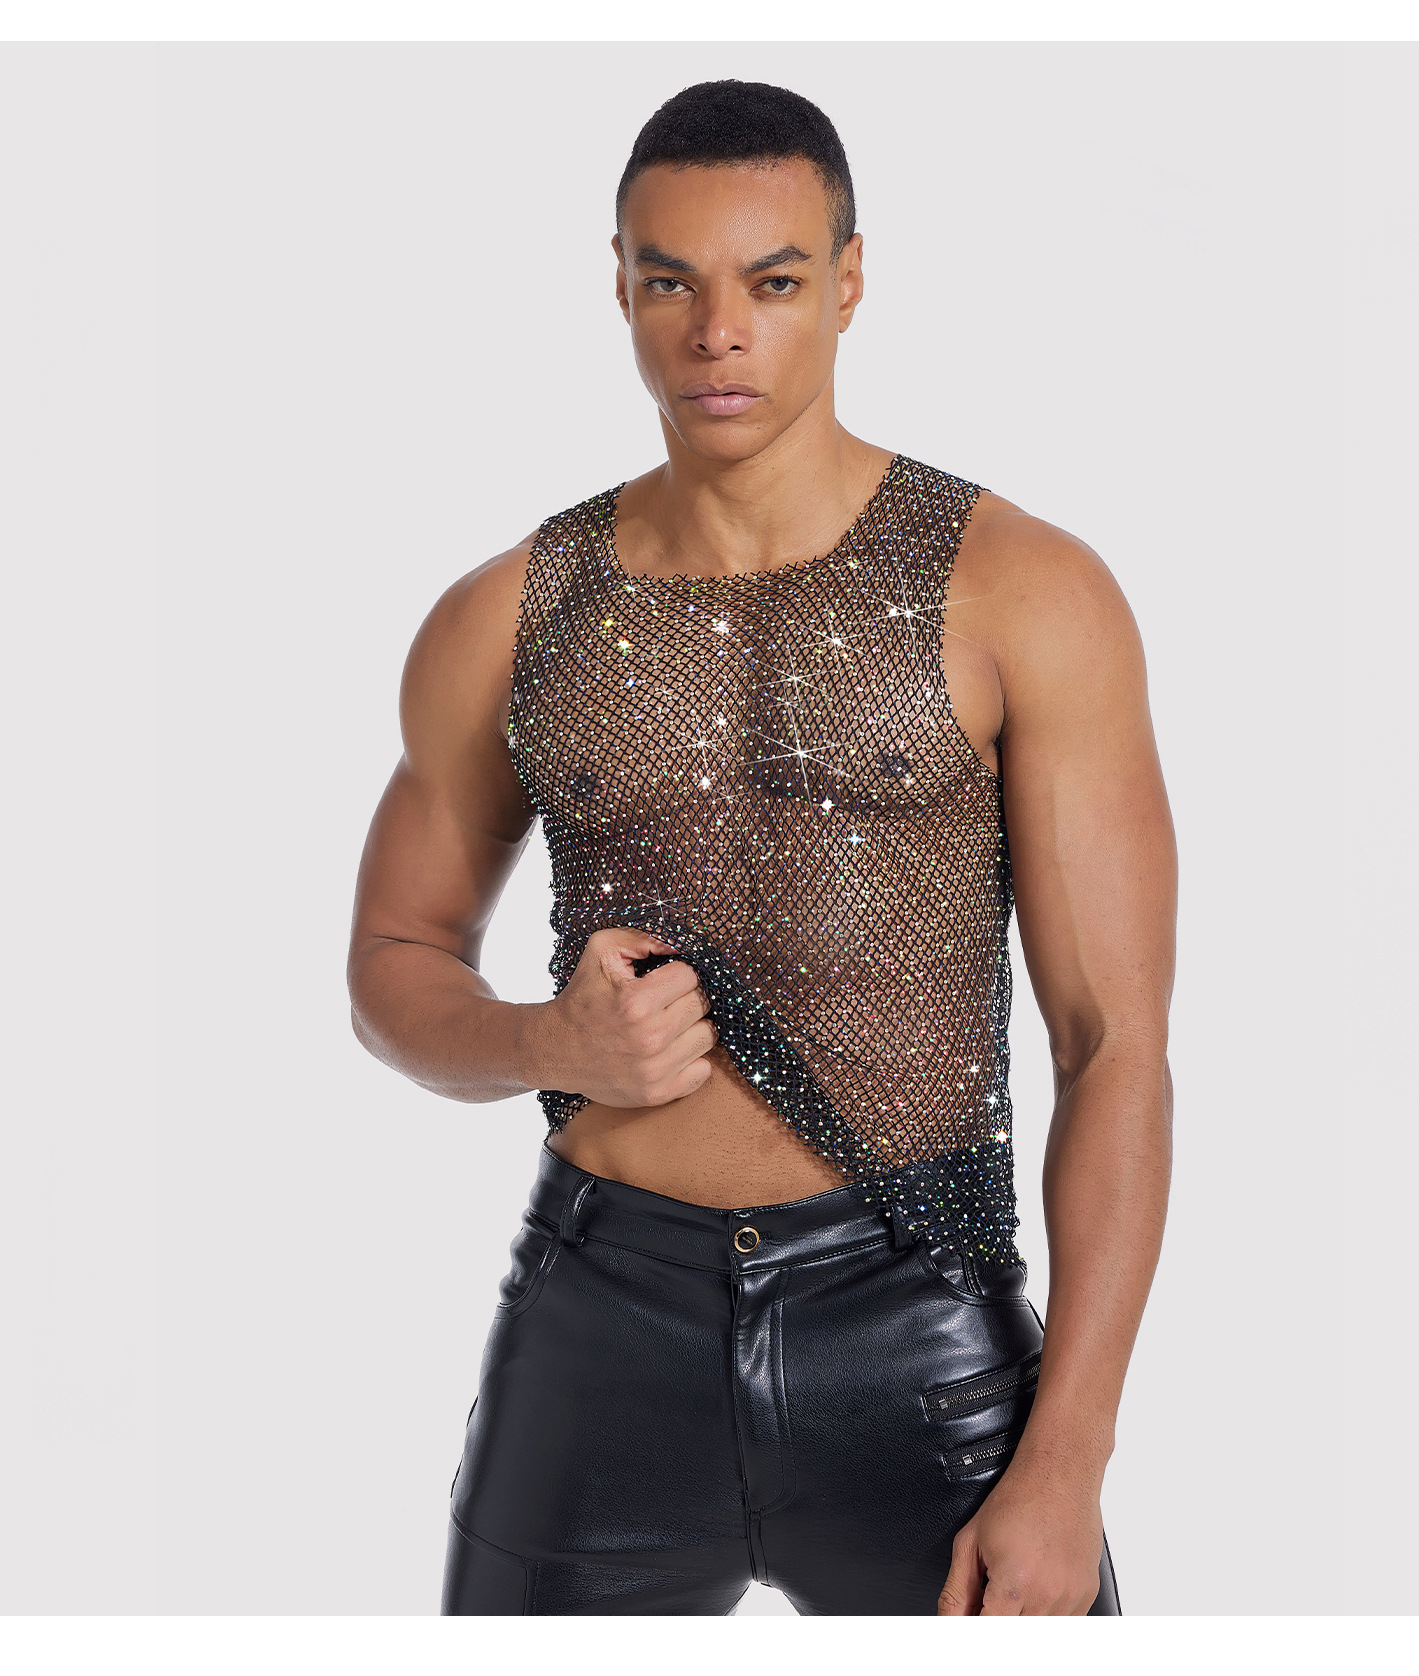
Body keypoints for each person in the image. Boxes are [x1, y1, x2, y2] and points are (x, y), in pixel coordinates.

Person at [347, 78, 1175, 1617]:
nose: (719, 332)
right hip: (599, 1319)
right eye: (673, 282)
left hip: (919, 1319)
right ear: (620, 285)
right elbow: (392, 963)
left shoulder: (1023, 591)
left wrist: (1067, 1461)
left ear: (849, 281)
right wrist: (547, 1041)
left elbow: (1113, 1044)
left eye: (773, 282)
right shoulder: (509, 613)